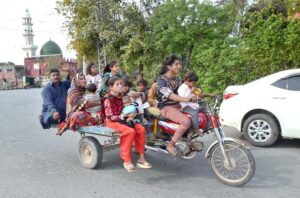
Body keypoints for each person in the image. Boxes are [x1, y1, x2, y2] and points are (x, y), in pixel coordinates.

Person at [103, 76, 152, 172]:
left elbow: (129, 107)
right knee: (130, 131)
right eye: (117, 84)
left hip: (124, 119)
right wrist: (125, 116)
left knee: (141, 129)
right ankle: (126, 159)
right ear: (110, 87)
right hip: (113, 122)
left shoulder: (122, 96)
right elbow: (110, 117)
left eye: (121, 84)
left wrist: (132, 115)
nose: (120, 86)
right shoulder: (108, 99)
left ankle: (141, 158)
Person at [157, 55, 197, 156]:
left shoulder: (178, 79)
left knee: (197, 115)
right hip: (166, 107)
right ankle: (171, 145)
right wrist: (187, 99)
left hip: (178, 105)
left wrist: (196, 95)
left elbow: (185, 91)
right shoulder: (161, 80)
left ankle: (187, 140)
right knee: (186, 121)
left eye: (179, 64)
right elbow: (170, 95)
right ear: (169, 67)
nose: (179, 66)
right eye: (176, 64)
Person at [178, 71, 216, 136]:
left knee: (205, 109)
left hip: (192, 104)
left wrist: (209, 94)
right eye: (193, 82)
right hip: (185, 106)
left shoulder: (190, 87)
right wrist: (191, 91)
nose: (194, 84)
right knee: (194, 113)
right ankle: (196, 129)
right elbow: (183, 98)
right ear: (188, 80)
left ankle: (206, 126)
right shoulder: (182, 88)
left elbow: (199, 94)